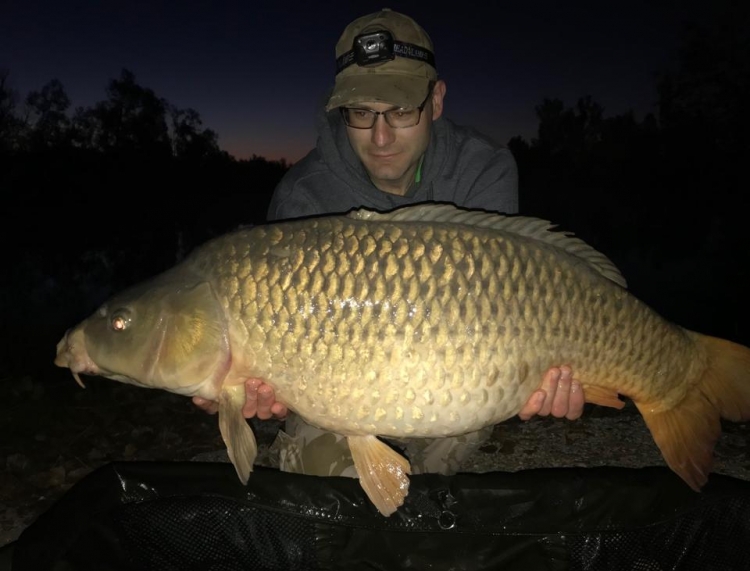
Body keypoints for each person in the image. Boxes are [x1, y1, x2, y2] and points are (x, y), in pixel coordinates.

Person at [194, 8, 586, 477]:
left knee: (457, 426)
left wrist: (543, 377)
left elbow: (518, 297)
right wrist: (254, 384)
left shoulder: (483, 169)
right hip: (336, 392)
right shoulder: (305, 195)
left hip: (455, 375)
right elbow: (276, 354)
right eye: (362, 113)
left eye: (400, 110)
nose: (381, 137)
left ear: (436, 101)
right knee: (329, 473)